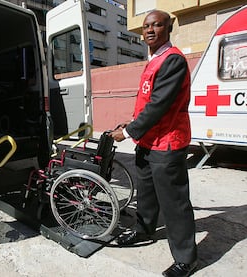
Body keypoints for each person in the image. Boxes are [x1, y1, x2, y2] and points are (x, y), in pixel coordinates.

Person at [110, 10, 198, 277]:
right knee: (146, 194)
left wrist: (128, 133)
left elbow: (160, 105)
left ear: (168, 27)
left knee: (174, 202)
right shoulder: (154, 60)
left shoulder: (173, 61)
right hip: (149, 141)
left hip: (168, 142)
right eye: (146, 26)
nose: (149, 30)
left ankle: (186, 258)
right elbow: (147, 103)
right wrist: (132, 125)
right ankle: (143, 229)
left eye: (156, 25)